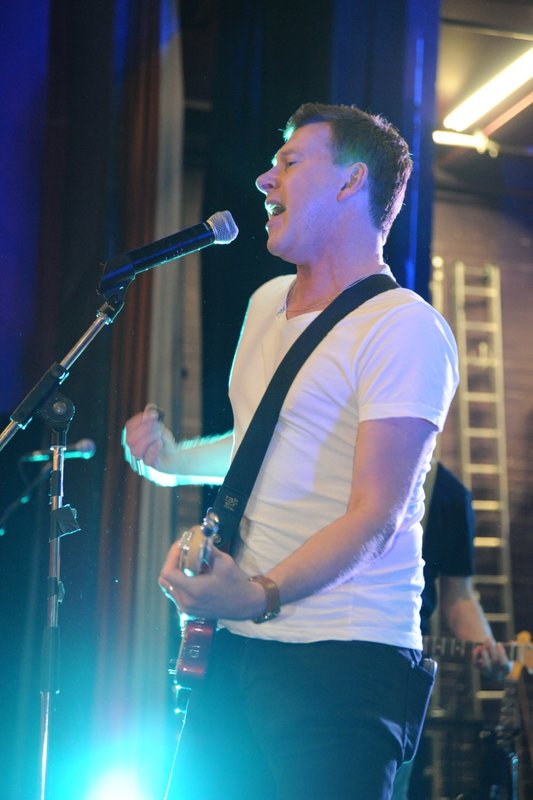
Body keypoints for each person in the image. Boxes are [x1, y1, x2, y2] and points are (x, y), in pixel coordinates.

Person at [123, 103, 459, 800]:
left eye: (289, 162)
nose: (263, 179)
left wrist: (256, 594)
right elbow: (261, 444)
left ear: (350, 182)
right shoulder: (264, 303)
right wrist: (173, 459)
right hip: (238, 641)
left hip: (345, 654)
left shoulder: (404, 328)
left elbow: (375, 514)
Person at [392, 460, 510, 799]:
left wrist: (485, 645)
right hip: (316, 646)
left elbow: (458, 596)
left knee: (389, 781)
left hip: (401, 665)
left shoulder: (447, 493)